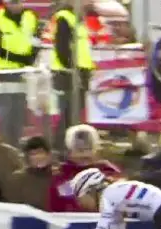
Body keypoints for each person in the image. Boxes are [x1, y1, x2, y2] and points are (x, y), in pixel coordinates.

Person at [0, 0, 41, 146]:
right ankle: (4, 145)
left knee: (19, 111)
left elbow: (35, 40)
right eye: (11, 2)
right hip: (2, 71)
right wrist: (20, 58)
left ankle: (15, 145)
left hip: (23, 72)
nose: (14, 5)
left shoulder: (31, 17)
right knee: (5, 111)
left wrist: (31, 59)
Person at [50, 0, 95, 151]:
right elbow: (62, 47)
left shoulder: (78, 18)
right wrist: (72, 69)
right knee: (67, 113)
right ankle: (62, 147)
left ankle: (69, 146)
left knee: (73, 113)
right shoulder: (64, 17)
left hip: (79, 72)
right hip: (68, 74)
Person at [48, 124, 122, 212]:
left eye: (89, 149)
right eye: (79, 150)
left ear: (96, 150)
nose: (84, 155)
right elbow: (56, 204)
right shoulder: (62, 175)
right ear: (70, 151)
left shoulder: (108, 171)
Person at [8, 135, 56, 210]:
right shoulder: (18, 178)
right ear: (28, 158)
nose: (38, 157)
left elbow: (69, 200)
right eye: (33, 154)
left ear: (49, 154)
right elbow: (13, 207)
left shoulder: (61, 176)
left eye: (40, 152)